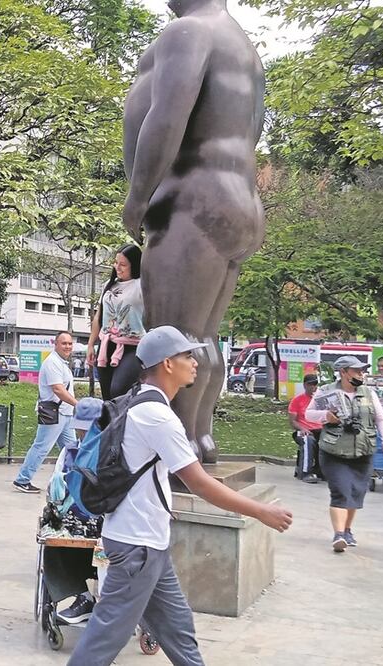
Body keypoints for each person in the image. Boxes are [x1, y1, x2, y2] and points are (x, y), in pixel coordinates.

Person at [67, 326, 292, 665]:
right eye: (187, 355)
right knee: (103, 640)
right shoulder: (156, 416)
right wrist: (260, 511)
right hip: (136, 548)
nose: (195, 362)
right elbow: (199, 483)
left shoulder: (140, 401)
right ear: (167, 364)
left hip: (149, 544)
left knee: (179, 631)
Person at [124, 0, 267, 465]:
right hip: (238, 199)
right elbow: (255, 128)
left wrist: (138, 196)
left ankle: (174, 452)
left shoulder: (187, 32)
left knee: (172, 336)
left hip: (193, 197)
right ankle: (198, 439)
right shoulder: (242, 46)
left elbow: (166, 117)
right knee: (201, 334)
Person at [304, 356, 383, 553]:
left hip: (363, 451)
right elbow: (309, 414)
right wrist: (325, 416)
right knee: (341, 491)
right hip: (334, 451)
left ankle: (347, 530)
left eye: (362, 371)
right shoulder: (326, 391)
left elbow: (381, 419)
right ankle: (338, 535)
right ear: (343, 372)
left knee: (355, 493)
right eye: (357, 371)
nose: (361, 374)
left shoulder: (368, 393)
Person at [56, 396, 105, 625]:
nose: (83, 435)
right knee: (55, 546)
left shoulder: (112, 453)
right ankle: (83, 597)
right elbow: (55, 489)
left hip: (107, 521)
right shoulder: (69, 452)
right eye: (80, 429)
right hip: (76, 518)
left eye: (89, 429)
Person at [13, 332, 79, 493]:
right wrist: (79, 405)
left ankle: (75, 481)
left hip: (65, 413)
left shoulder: (61, 363)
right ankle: (22, 479)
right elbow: (58, 389)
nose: (67, 346)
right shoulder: (52, 363)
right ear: (55, 344)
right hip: (53, 413)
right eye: (64, 343)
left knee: (72, 449)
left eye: (70, 343)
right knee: (41, 447)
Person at [86, 244, 145, 401]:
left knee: (118, 389)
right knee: (107, 396)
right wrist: (91, 345)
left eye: (123, 264)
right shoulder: (109, 285)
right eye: (116, 262)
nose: (118, 267)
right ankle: (113, 425)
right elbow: (99, 317)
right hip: (106, 345)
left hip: (132, 346)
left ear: (134, 264)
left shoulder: (142, 285)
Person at [287, 374, 322, 483]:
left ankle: (323, 470)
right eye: (310, 384)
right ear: (305, 385)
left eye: (315, 384)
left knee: (330, 440)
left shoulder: (320, 400)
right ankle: (306, 472)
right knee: (308, 440)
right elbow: (293, 421)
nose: (313, 387)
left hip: (320, 430)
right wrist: (302, 428)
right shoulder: (297, 400)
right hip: (303, 430)